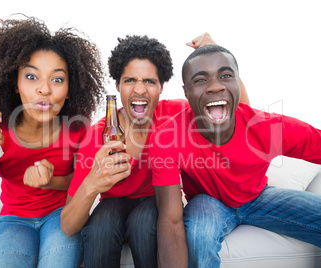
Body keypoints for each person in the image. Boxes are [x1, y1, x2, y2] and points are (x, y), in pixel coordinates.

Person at [60, 33, 249, 267]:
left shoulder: (175, 115)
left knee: (143, 221)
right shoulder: (98, 135)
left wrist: (215, 51)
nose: (139, 90)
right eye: (130, 80)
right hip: (112, 206)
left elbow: (240, 115)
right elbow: (68, 226)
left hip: (156, 202)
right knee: (101, 224)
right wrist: (92, 184)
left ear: (161, 87)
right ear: (118, 85)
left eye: (149, 81)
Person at [150, 44, 321, 268]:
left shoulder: (267, 127)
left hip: (258, 198)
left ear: (237, 82)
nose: (215, 86)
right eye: (201, 79)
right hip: (207, 202)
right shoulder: (167, 137)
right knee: (198, 236)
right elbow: (172, 222)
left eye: (225, 75)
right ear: (186, 92)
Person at [0, 15, 105, 267]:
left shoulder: (78, 126)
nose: (44, 89)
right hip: (13, 218)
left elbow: (78, 181)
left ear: (70, 88)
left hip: (61, 214)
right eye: (31, 77)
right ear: (14, 83)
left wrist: (50, 181)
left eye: (57, 79)